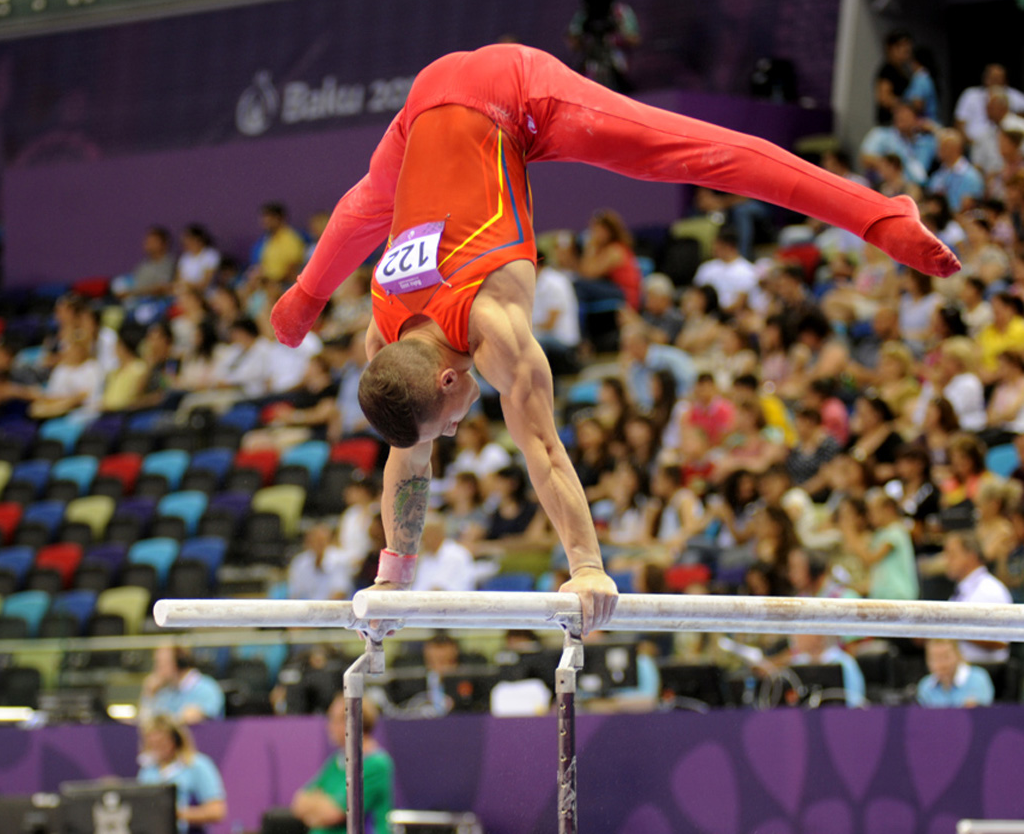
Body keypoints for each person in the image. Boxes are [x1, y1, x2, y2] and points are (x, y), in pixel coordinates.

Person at [269, 43, 959, 632]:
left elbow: (541, 448)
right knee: (366, 204)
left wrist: (587, 567)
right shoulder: (385, 345)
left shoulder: (493, 329)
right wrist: (393, 579)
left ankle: (878, 215)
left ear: (448, 378)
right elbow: (408, 456)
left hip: (514, 95)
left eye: (445, 422)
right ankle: (300, 302)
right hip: (423, 105)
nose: (450, 434)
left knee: (695, 154)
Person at [291, 694, 393, 834]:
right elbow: (299, 802)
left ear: (352, 723)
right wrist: (321, 808)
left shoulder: (376, 765)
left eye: (334, 720)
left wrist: (318, 808)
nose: (329, 726)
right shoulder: (337, 761)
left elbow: (333, 813)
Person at [137, 716, 227, 834]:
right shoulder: (147, 772)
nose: (156, 748)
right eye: (152, 743)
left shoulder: (198, 766)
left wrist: (175, 813)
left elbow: (217, 811)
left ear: (176, 739)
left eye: (161, 742)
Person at [945, 530, 1013, 663]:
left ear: (971, 556)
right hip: (957, 668)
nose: (946, 561)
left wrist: (954, 630)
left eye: (952, 555)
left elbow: (1001, 642)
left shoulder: (990, 589)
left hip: (986, 670)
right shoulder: (962, 590)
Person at [139, 644, 225, 724]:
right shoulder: (163, 691)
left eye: (160, 664)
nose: (156, 669)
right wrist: (149, 694)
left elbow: (200, 717)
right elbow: (147, 724)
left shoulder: (207, 688)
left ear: (179, 663)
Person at [916, 638, 995, 708]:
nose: (941, 664)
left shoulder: (978, 678)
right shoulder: (925, 685)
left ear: (958, 655)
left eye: (946, 657)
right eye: (935, 658)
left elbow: (984, 715)